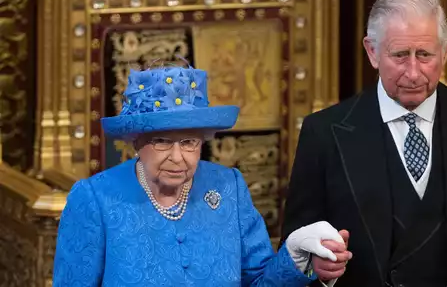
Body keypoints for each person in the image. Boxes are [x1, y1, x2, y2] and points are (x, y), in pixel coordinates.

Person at [282, 0, 447, 287]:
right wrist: (316, 266)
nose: (413, 72)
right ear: (372, 51)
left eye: (424, 55)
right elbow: (296, 249)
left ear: (446, 50)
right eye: (400, 55)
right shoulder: (324, 134)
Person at [53, 65, 351, 286]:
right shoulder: (95, 198)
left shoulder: (227, 186)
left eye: (189, 142)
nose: (178, 156)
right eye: (163, 142)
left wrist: (294, 257)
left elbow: (260, 281)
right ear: (137, 142)